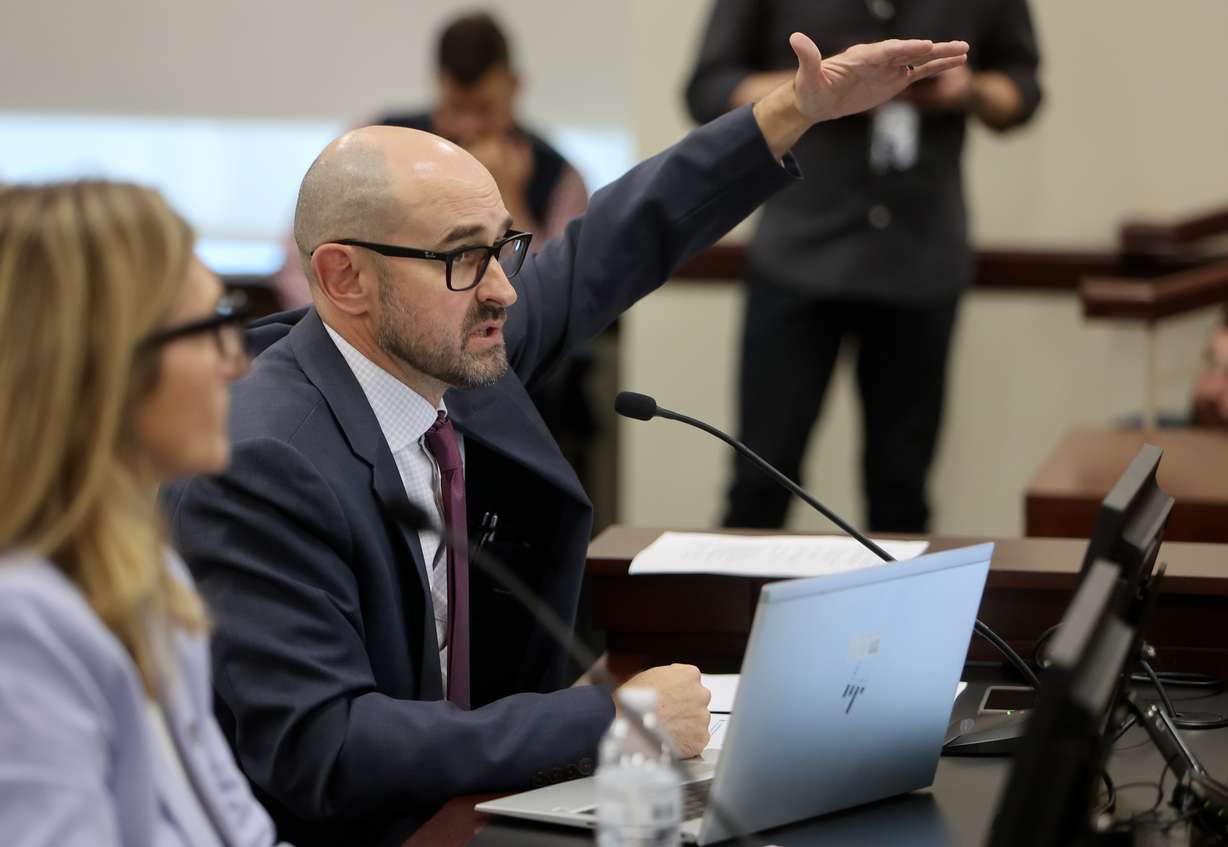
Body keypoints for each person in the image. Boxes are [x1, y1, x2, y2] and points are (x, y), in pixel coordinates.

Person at [165, 34, 970, 847]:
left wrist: (798, 108)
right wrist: (605, 718)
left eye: (503, 247)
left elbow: (616, 240)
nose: (503, 289)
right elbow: (327, 746)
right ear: (345, 278)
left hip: (472, 805)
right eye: (464, 256)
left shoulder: (443, 345)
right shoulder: (261, 459)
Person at [0, 181, 287, 845]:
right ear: (102, 365)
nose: (237, 364)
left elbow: (238, 830)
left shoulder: (140, 566)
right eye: (211, 328)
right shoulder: (20, 624)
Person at [687, 0, 1043, 533]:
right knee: (760, 479)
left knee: (901, 493)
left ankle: (900, 594)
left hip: (920, 262)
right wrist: (824, 86)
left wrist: (966, 89)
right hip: (798, 256)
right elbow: (709, 89)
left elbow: (1023, 88)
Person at [273, 11, 588, 311]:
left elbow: (550, 300)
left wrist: (509, 200)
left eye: (484, 109)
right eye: (456, 108)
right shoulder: (376, 142)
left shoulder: (561, 179)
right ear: (439, 85)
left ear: (515, 87)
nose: (468, 127)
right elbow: (298, 259)